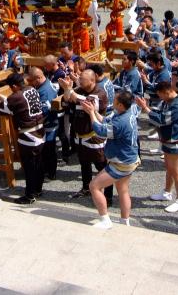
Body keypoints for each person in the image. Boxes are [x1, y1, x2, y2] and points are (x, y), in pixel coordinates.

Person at [81, 90, 139, 228]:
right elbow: (106, 121)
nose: (112, 102)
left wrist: (90, 114)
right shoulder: (128, 112)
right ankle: (125, 221)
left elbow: (101, 131)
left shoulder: (121, 122)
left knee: (94, 186)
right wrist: (94, 111)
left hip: (121, 162)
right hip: (130, 159)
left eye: (115, 101)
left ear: (119, 104)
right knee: (123, 190)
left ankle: (105, 220)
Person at [135, 80, 178, 212]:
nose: (160, 98)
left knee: (175, 171)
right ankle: (166, 192)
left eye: (160, 95)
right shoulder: (168, 101)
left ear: (166, 92)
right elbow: (158, 111)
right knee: (169, 169)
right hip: (167, 140)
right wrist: (146, 106)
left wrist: (146, 108)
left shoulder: (177, 105)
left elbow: (162, 120)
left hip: (175, 142)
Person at [60, 70, 112, 203]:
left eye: (82, 79)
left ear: (92, 80)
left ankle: (108, 196)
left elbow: (88, 102)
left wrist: (70, 90)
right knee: (84, 164)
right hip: (80, 136)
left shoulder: (100, 93)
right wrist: (67, 91)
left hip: (94, 137)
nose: (79, 81)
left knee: (102, 166)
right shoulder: (79, 90)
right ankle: (86, 188)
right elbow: (66, 100)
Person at [0, 73, 45, 205]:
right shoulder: (32, 89)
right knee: (38, 164)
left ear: (14, 86)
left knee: (29, 167)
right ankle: (37, 190)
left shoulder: (16, 96)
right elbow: (15, 103)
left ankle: (30, 195)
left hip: (28, 135)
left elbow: (3, 109)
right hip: (40, 130)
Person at [26, 66, 60, 181]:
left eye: (31, 80)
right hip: (51, 122)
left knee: (49, 150)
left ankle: (50, 173)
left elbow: (44, 110)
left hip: (49, 124)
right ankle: (49, 171)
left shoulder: (44, 91)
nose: (30, 83)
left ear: (38, 78)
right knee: (48, 150)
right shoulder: (47, 84)